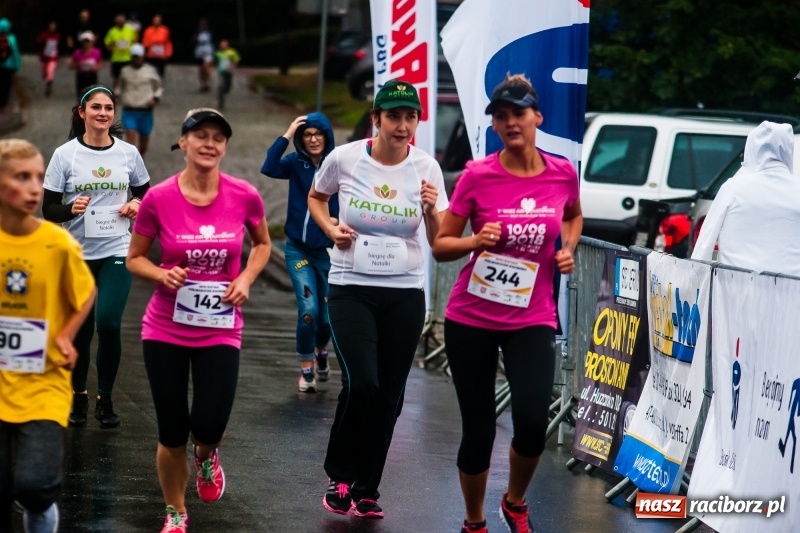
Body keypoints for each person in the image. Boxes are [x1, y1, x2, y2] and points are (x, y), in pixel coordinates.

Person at [431, 73, 583, 533]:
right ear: (494, 125)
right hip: (472, 317)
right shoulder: (478, 176)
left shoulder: (562, 172)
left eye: (518, 113)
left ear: (537, 116)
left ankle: (515, 501)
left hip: (532, 317)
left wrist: (568, 249)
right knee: (478, 430)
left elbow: (573, 216)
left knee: (533, 420)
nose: (510, 122)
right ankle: (474, 521)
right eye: (501, 116)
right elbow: (441, 244)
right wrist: (476, 239)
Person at [308, 79, 449, 518]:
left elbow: (439, 240)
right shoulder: (345, 158)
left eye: (410, 117)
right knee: (362, 382)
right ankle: (341, 475)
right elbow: (317, 197)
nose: (402, 126)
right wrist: (331, 229)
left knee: (389, 394)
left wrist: (429, 209)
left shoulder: (428, 169)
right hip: (351, 288)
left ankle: (368, 488)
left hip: (405, 293)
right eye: (394, 116)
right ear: (376, 119)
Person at [127, 108, 270, 533]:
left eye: (218, 138)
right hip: (165, 327)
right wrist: (161, 273)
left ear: (225, 147)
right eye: (200, 135)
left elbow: (261, 244)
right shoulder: (159, 198)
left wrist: (245, 276)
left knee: (209, 423)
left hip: (221, 327)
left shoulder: (244, 194)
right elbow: (135, 258)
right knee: (172, 429)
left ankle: (206, 456)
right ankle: (175, 510)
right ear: (183, 143)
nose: (210, 144)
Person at [0, 138, 96, 533]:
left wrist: (66, 336)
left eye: (39, 177)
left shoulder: (57, 244)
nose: (35, 187)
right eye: (22, 177)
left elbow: (86, 291)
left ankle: (41, 516)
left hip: (43, 384)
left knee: (35, 486)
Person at [42, 84, 151, 430]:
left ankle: (105, 398)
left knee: (108, 322)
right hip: (77, 255)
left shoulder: (128, 154)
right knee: (82, 330)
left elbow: (148, 197)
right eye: (96, 107)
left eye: (108, 108)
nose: (103, 113)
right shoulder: (65, 155)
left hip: (117, 249)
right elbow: (49, 209)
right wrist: (70, 208)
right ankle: (78, 394)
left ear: (113, 114)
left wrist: (136, 204)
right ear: (82, 112)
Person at [261, 113, 338, 392]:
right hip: (298, 250)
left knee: (328, 316)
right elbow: (268, 167)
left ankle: (320, 351)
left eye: (319, 134)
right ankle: (306, 368)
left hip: (329, 252)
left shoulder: (337, 165)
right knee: (308, 310)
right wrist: (288, 131)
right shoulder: (296, 163)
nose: (313, 139)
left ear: (327, 136)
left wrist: (339, 222)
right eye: (307, 135)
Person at [691, 120, 800, 275]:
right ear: (789, 150)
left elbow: (704, 243)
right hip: (790, 293)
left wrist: (694, 280)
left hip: (736, 290)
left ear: (752, 149)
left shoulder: (734, 188)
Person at [115, 43, 163, 157]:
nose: (137, 59)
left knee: (143, 146)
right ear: (131, 57)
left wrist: (155, 98)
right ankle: (133, 166)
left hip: (145, 111)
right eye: (134, 56)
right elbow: (119, 87)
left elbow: (159, 87)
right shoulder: (125, 71)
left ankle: (139, 160)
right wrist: (116, 96)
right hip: (129, 110)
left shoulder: (150, 70)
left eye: (139, 56)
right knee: (131, 144)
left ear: (143, 56)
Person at [103, 13, 138, 86]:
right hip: (116, 59)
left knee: (128, 78)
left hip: (128, 58)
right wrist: (112, 49)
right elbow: (107, 43)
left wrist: (131, 48)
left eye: (122, 20)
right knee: (116, 78)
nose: (121, 22)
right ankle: (115, 94)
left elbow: (135, 40)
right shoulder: (112, 31)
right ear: (116, 21)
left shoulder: (130, 30)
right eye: (119, 20)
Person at [69, 31, 102, 98]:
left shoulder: (96, 52)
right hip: (81, 76)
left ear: (92, 42)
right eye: (85, 42)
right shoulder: (77, 53)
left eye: (88, 42)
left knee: (92, 96)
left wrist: (96, 67)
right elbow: (71, 66)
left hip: (92, 76)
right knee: (81, 96)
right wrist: (78, 65)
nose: (86, 44)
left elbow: (100, 63)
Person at [142, 14, 173, 79]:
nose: (156, 21)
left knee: (160, 74)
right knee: (150, 73)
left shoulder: (165, 30)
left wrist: (168, 53)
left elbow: (167, 42)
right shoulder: (148, 30)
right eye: (155, 20)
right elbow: (145, 42)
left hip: (161, 56)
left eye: (158, 20)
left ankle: (159, 87)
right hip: (151, 55)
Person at [0, 18, 21, 111]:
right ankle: (3, 104)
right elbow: (15, 53)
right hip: (9, 67)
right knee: (6, 85)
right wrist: (17, 66)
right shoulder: (11, 39)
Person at [36, 21, 61, 98]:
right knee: (45, 73)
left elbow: (59, 45)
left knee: (50, 71)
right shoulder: (44, 35)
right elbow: (38, 42)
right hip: (45, 57)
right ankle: (47, 79)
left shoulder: (58, 35)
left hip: (53, 57)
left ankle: (48, 87)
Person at [214, 39, 240, 110]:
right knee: (221, 86)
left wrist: (233, 67)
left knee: (228, 87)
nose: (222, 46)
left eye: (224, 44)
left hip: (229, 71)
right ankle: (221, 103)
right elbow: (215, 61)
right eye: (221, 44)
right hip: (222, 71)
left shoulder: (232, 52)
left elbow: (236, 60)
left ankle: (224, 91)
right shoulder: (218, 53)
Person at [192, 19, 214, 93]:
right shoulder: (197, 33)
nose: (203, 26)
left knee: (206, 67)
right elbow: (193, 41)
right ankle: (202, 84)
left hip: (208, 51)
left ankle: (207, 82)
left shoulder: (210, 33)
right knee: (201, 69)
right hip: (199, 51)